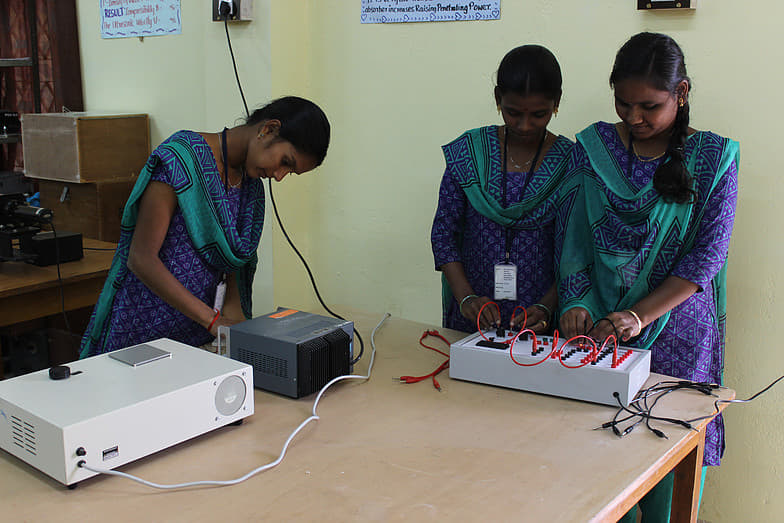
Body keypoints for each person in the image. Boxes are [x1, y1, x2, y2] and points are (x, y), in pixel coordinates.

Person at [557, 33, 739, 521]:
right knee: (597, 472)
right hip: (599, 332)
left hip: (678, 336)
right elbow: (572, 235)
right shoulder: (592, 148)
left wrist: (638, 315)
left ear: (680, 94)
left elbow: (707, 257)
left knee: (667, 474)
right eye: (623, 103)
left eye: (649, 106)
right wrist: (576, 301)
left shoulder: (714, 159)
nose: (633, 117)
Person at [80, 96, 330, 358]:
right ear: (268, 129)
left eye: (289, 172)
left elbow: (234, 264)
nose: (279, 176)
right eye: (286, 162)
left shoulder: (250, 185)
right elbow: (141, 258)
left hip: (197, 338)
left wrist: (239, 331)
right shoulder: (181, 160)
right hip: (143, 330)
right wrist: (212, 321)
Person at [430, 45, 573, 334]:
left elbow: (577, 249)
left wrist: (547, 305)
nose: (524, 125)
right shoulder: (469, 154)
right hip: (473, 312)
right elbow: (444, 233)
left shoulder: (572, 163)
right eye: (512, 112)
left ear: (557, 102)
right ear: (498, 99)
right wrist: (466, 297)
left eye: (538, 114)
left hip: (539, 318)